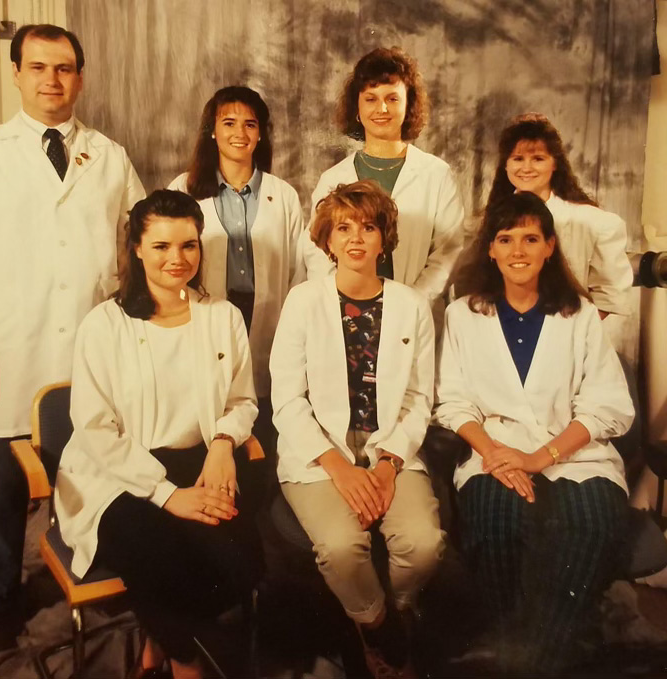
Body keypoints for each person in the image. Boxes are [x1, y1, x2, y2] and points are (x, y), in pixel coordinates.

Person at [0, 24, 145, 657]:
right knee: (0, 489)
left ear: (80, 78)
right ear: (16, 74)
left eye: (64, 69)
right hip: (6, 350)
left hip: (92, 355)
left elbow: (138, 243)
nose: (51, 80)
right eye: (38, 67)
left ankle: (92, 574)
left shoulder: (109, 155)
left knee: (93, 475)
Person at [55, 189, 262, 679]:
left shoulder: (222, 317)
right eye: (162, 246)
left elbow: (242, 400)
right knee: (158, 557)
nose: (177, 259)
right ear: (137, 249)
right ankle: (187, 664)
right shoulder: (104, 325)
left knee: (244, 564)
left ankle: (157, 641)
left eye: (188, 246)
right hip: (115, 474)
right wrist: (167, 495)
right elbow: (94, 429)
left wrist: (222, 443)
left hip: (199, 462)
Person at [435, 191, 634, 675]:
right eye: (506, 239)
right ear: (491, 249)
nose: (518, 250)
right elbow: (453, 402)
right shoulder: (463, 314)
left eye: (531, 238)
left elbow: (608, 406)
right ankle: (545, 656)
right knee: (497, 526)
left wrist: (539, 458)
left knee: (586, 529)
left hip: (577, 460)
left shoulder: (580, 315)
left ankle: (521, 662)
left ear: (549, 247)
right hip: (494, 456)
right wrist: (499, 452)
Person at [271, 180, 444, 679]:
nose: (355, 238)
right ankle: (377, 629)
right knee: (343, 548)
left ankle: (392, 612)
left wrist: (389, 465)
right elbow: (287, 398)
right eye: (343, 227)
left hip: (390, 449)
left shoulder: (411, 305)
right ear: (326, 240)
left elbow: (418, 398)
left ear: (384, 239)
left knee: (424, 544)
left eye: (368, 227)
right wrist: (338, 468)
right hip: (318, 455)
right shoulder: (303, 302)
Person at [168, 86, 304, 457]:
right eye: (229, 123)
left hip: (269, 319)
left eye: (250, 124)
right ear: (212, 130)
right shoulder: (184, 189)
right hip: (206, 317)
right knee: (212, 407)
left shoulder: (283, 195)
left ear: (261, 133)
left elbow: (299, 270)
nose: (239, 133)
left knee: (263, 411)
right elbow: (168, 266)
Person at [299, 47, 464, 322]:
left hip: (413, 317)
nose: (382, 108)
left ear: (408, 105)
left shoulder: (436, 174)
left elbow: (449, 251)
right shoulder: (333, 178)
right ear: (357, 109)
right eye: (371, 99)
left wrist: (413, 300)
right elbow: (316, 250)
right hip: (346, 316)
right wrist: (344, 299)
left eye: (392, 98)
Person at [482, 112, 632, 320]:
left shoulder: (594, 223)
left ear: (555, 163)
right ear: (505, 165)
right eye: (518, 158)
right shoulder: (486, 222)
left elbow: (611, 296)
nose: (526, 168)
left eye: (538, 159)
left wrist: (566, 334)